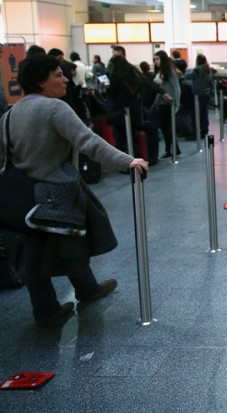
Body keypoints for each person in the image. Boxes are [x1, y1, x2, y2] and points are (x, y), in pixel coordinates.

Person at [0, 53, 148, 325]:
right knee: (72, 243)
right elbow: (89, 142)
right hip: (58, 191)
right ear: (40, 82)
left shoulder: (10, 114)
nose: (65, 79)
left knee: (35, 248)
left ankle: (50, 306)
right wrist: (128, 161)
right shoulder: (55, 108)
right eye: (57, 75)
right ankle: (80, 292)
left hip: (26, 195)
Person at [152, 50, 182, 158]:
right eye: (154, 59)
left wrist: (176, 103)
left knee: (167, 128)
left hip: (169, 104)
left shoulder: (169, 71)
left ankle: (172, 150)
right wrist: (155, 103)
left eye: (157, 59)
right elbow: (160, 90)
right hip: (162, 104)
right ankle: (172, 149)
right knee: (166, 128)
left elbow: (176, 87)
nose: (155, 61)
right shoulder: (161, 71)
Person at [188, 54, 213, 137]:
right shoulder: (208, 69)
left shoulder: (197, 69)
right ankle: (204, 131)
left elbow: (188, 76)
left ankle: (195, 132)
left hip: (199, 94)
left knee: (195, 113)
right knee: (204, 113)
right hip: (207, 93)